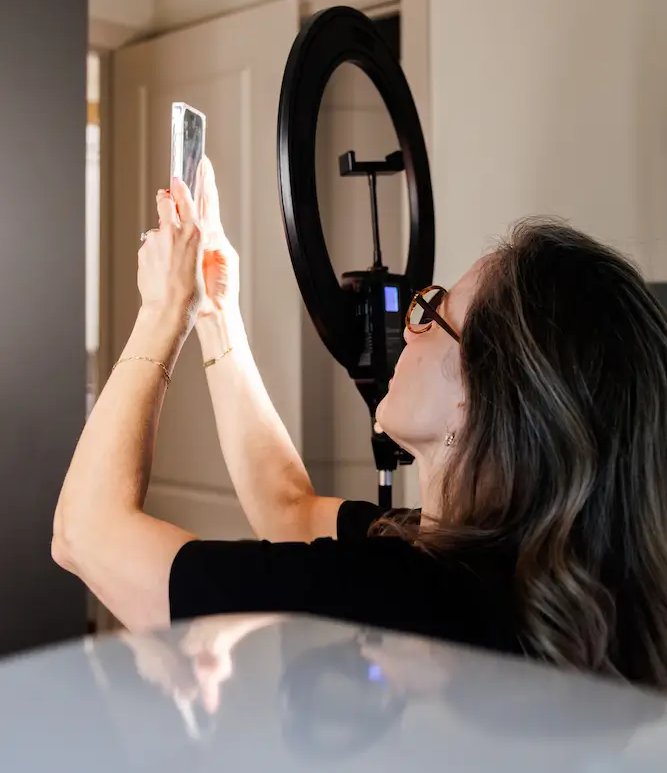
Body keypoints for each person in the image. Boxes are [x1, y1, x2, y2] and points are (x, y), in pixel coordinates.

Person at [53, 159, 667, 688]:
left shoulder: (402, 597)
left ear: (479, 396)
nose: (410, 329)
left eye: (433, 313)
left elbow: (84, 533)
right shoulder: (488, 570)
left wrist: (163, 309)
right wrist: (215, 313)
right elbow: (287, 509)